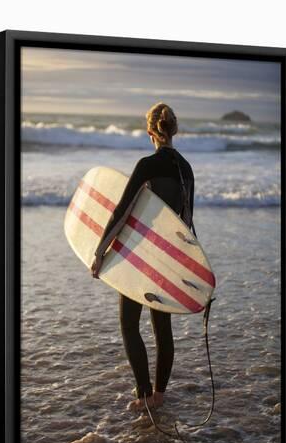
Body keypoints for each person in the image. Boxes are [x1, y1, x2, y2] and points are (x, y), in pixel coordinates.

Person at [91, 102, 195, 412]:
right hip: (168, 260)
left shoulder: (147, 165)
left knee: (129, 325)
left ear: (150, 132)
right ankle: (160, 396)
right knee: (162, 329)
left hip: (139, 258)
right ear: (173, 131)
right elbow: (186, 223)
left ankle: (143, 394)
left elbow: (121, 212)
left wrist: (99, 252)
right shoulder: (187, 169)